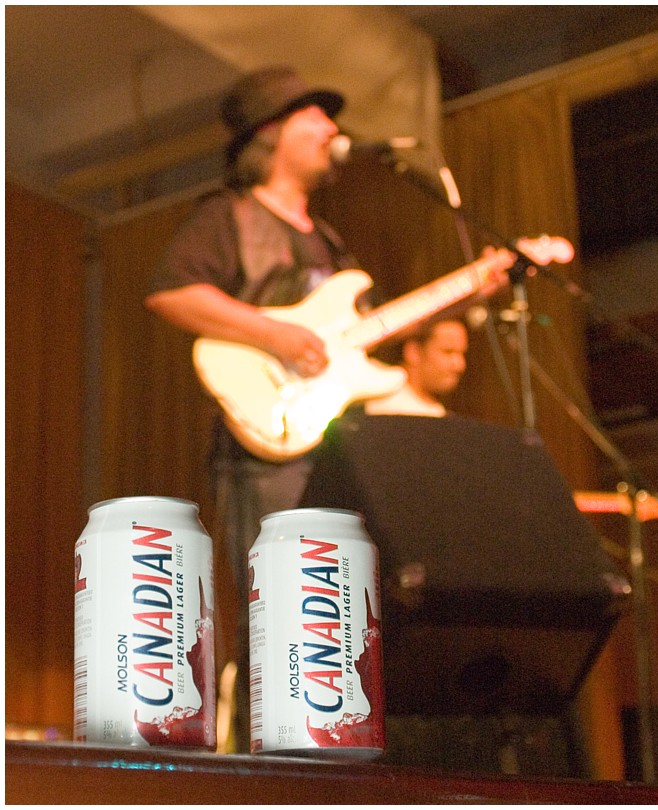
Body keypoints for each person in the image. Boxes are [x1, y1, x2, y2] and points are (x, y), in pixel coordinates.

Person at [144, 66, 361, 751]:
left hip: (332, 441)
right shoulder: (228, 216)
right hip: (264, 448)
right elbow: (172, 292)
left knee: (341, 616)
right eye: (313, 117)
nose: (331, 129)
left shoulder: (329, 240)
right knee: (288, 614)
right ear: (270, 134)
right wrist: (274, 334)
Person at [364, 317, 469, 417]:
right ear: (414, 352)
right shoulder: (372, 381)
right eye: (447, 352)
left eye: (462, 354)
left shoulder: (441, 419)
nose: (459, 365)